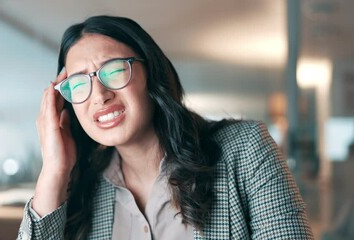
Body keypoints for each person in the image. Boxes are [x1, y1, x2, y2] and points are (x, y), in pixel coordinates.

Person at [17, 15, 314, 240]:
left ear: (151, 73)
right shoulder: (83, 187)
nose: (100, 95)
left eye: (115, 70)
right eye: (79, 83)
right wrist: (54, 169)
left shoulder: (245, 148)